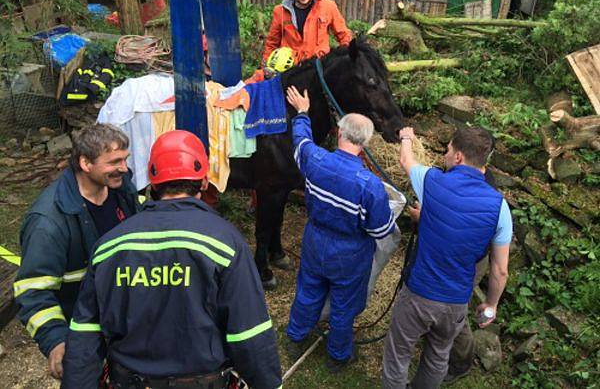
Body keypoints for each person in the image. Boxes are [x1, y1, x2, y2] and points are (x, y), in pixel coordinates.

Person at [61, 130, 282, 389]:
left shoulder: (109, 246)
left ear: (153, 183)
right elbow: (249, 333)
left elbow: (85, 333)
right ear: (203, 181)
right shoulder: (225, 243)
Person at [382, 127, 513, 389]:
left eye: (448, 150)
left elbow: (406, 160)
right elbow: (500, 270)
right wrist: (491, 304)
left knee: (398, 355)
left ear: (459, 157)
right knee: (438, 356)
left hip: (420, 293)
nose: (445, 155)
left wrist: (406, 136)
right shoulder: (501, 207)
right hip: (455, 302)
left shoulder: (432, 181)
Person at [13, 124, 140, 380]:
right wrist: (56, 340)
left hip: (126, 320)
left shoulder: (121, 188)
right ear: (85, 163)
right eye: (114, 161)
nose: (124, 168)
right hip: (85, 330)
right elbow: (32, 290)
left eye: (125, 159)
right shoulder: (49, 223)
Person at [285, 86, 395, 371]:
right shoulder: (370, 185)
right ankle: (338, 356)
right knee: (344, 305)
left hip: (315, 239)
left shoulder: (316, 160)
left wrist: (302, 113)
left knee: (308, 290)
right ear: (366, 142)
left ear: (338, 133)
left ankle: (295, 335)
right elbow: (381, 232)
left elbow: (300, 141)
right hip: (349, 253)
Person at [407, 169, 498, 384]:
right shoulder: (461, 177)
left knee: (455, 312)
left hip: (468, 261)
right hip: (459, 257)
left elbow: (455, 230)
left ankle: (460, 361)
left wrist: (425, 219)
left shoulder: (483, 188)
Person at [263, 0, 352, 65]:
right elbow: (272, 42)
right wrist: (266, 64)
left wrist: (347, 55)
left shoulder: (328, 7)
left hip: (318, 68)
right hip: (291, 68)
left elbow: (343, 35)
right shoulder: (281, 12)